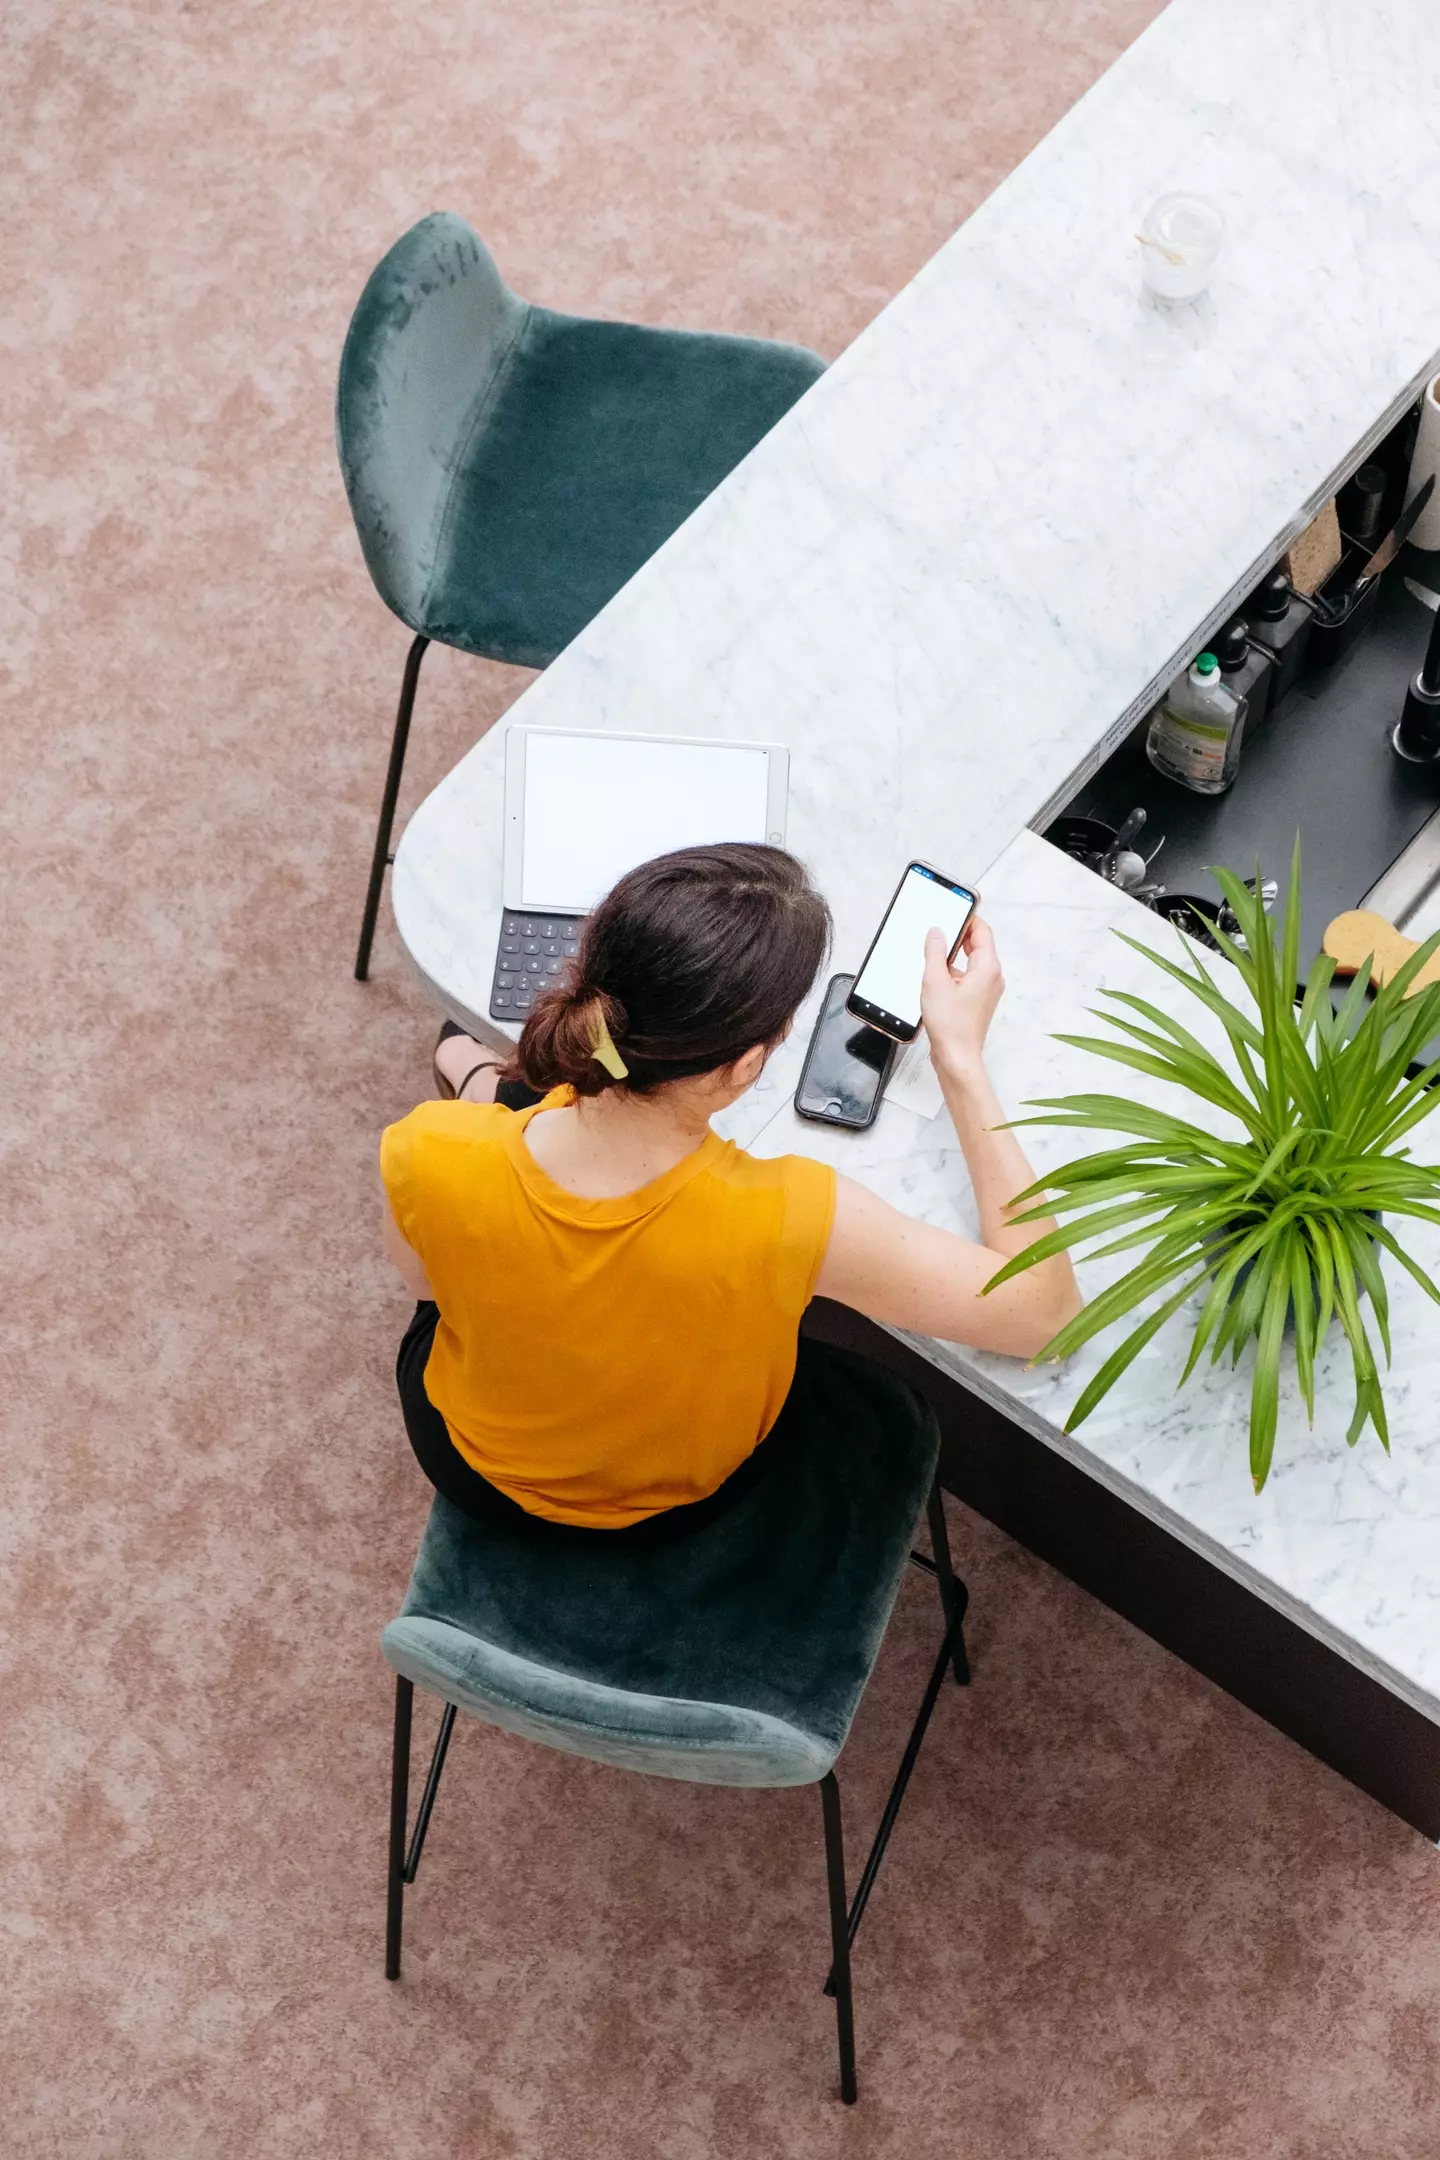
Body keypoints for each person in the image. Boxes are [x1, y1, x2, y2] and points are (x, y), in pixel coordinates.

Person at [381, 843, 1080, 1541]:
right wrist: (960, 1058)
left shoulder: (424, 1148)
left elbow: (430, 1292)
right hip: (679, 1501)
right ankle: (482, 1077)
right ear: (746, 1063)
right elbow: (1045, 1318)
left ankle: (472, 1073)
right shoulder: (791, 1216)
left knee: (507, 1108)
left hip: (469, 1463)